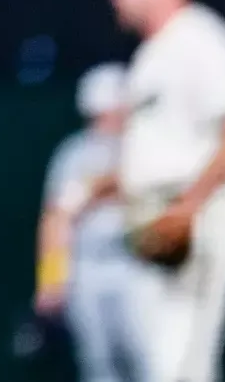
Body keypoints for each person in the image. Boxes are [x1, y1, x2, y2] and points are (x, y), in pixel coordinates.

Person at [106, 0, 225, 382]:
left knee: (179, 367)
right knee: (163, 366)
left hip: (198, 217)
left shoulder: (199, 36)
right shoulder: (153, 53)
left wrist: (189, 204)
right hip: (160, 218)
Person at [36, 63, 142, 382]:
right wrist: (51, 280)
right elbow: (56, 220)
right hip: (88, 269)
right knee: (97, 365)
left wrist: (99, 189)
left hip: (140, 267)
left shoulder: (145, 146)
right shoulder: (73, 154)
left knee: (151, 357)